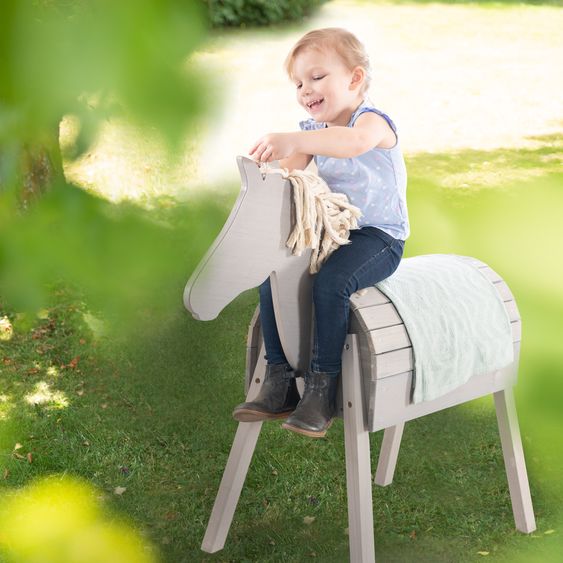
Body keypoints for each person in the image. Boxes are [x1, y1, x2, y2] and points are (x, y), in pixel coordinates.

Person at [232, 27, 410, 438]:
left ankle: (321, 388)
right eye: (297, 82)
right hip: (338, 233)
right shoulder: (312, 133)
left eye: (316, 77)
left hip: (379, 237)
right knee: (272, 271)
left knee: (332, 282)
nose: (305, 89)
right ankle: (278, 378)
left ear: (354, 79)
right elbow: (287, 174)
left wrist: (292, 137)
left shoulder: (371, 123)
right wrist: (263, 174)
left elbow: (352, 144)